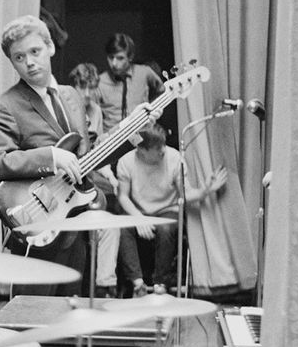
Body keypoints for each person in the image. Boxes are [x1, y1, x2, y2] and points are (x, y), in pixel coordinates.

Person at [0, 15, 105, 295]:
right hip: (37, 231)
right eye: (19, 57)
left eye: (35, 52)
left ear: (50, 47)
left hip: (78, 226)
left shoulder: (71, 95)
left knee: (73, 324)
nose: (29, 62)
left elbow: (87, 153)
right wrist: (50, 157)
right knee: (30, 322)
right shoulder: (5, 105)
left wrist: (129, 135)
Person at [115, 123, 228, 295]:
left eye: (163, 146)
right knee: (123, 229)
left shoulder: (174, 158)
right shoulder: (126, 162)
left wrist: (205, 191)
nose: (163, 151)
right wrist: (139, 218)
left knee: (166, 228)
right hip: (139, 211)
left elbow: (185, 195)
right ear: (142, 150)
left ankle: (160, 284)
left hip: (167, 208)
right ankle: (138, 284)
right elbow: (123, 196)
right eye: (157, 148)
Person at [69, 62, 120, 297]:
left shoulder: (96, 111)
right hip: (68, 179)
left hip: (89, 178)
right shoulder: (65, 106)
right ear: (74, 86)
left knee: (111, 224)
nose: (87, 95)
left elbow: (96, 151)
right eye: (83, 88)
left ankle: (103, 285)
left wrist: (110, 175)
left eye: (91, 88)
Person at [95, 33, 165, 162]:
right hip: (111, 146)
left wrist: (153, 111)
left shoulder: (145, 73)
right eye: (111, 58)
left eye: (120, 58)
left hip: (143, 144)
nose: (114, 63)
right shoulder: (99, 82)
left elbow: (163, 92)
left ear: (130, 57)